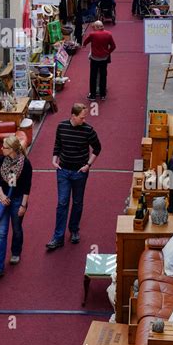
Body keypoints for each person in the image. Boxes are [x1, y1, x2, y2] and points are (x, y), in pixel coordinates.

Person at [46, 103, 101, 249]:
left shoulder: (88, 130)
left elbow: (97, 148)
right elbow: (58, 144)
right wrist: (54, 159)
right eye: (82, 118)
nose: (84, 120)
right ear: (73, 116)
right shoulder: (61, 126)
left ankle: (74, 229)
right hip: (63, 170)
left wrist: (88, 165)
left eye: (85, 117)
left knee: (77, 202)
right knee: (62, 203)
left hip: (79, 172)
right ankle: (58, 237)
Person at [0, 136, 32, 278]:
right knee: (1, 233)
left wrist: (23, 206)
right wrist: (2, 196)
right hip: (4, 200)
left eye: (4, 147)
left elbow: (27, 187)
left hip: (17, 200)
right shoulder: (3, 161)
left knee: (16, 228)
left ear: (12, 149)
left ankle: (15, 252)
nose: (1, 149)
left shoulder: (25, 164)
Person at [83, 20, 116, 100]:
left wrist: (84, 45)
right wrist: (108, 52)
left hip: (94, 58)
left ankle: (93, 95)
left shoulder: (92, 34)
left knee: (93, 76)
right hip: (104, 58)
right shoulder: (108, 34)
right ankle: (102, 94)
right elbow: (113, 46)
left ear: (97, 27)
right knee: (103, 75)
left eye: (94, 27)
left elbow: (85, 42)